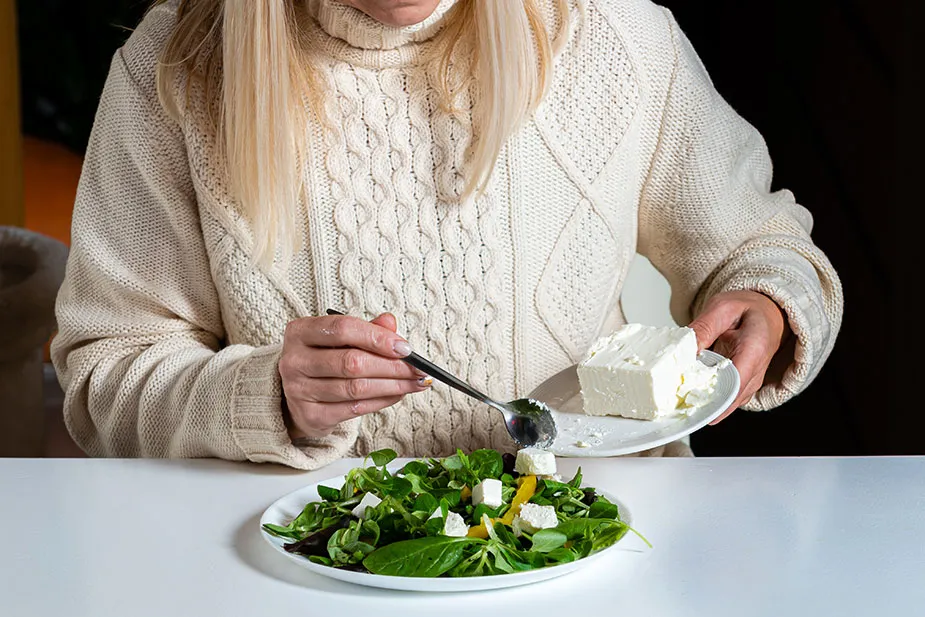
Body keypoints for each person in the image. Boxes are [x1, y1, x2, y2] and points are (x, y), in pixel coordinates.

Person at [52, 0, 843, 468]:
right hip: (304, 573)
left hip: (601, 551)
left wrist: (767, 303)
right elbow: (104, 375)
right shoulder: (176, 70)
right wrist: (266, 398)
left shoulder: (615, 34)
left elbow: (759, 245)